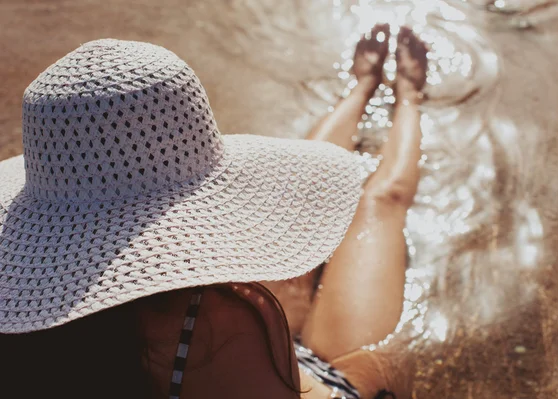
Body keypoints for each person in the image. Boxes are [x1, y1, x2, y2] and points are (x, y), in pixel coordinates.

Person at [0, 23, 427, 399]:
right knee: (380, 202)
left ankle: (361, 89)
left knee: (295, 269)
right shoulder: (216, 324)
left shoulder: (18, 329)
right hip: (285, 374)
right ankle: (406, 95)